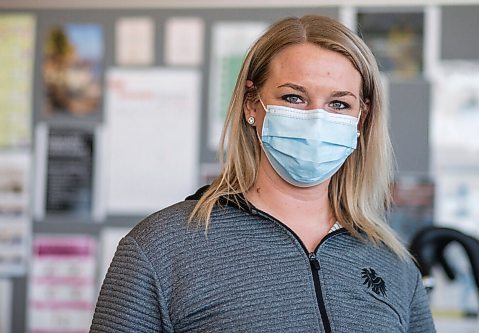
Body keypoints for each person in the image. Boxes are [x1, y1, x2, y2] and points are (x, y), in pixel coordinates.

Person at [90, 15, 435, 332]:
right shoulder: (163, 247)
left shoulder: (393, 264)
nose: (317, 119)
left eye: (339, 104)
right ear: (252, 105)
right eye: (294, 98)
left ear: (360, 119)